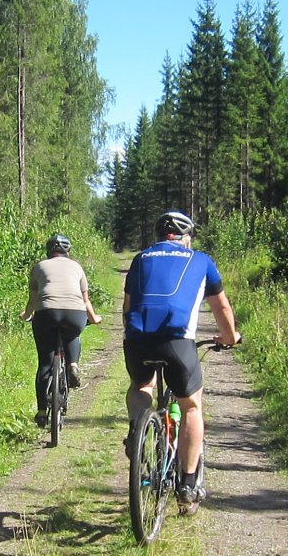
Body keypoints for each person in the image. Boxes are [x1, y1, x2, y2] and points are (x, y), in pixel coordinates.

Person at [121, 209, 239, 510]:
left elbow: (128, 304)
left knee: (141, 386)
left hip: (137, 341)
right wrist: (229, 337)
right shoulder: (201, 260)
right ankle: (187, 484)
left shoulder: (140, 259)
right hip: (177, 342)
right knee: (190, 405)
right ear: (186, 237)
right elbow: (221, 307)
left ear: (159, 237)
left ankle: (138, 429)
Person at [21, 233, 102, 426]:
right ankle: (72, 366)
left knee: (45, 364)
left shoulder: (39, 267)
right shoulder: (76, 267)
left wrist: (26, 315)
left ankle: (41, 411)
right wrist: (94, 318)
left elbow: (32, 301)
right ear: (68, 251)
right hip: (74, 313)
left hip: (46, 314)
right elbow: (85, 300)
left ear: (48, 251)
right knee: (72, 333)